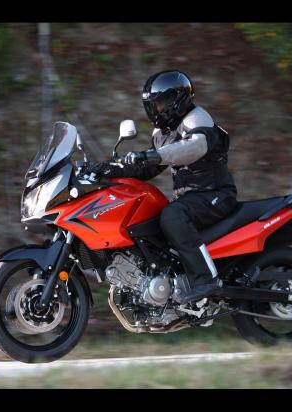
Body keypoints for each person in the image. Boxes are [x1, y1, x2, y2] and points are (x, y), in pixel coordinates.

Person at [90, 70, 238, 303]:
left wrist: (152, 155)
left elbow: (193, 148)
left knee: (173, 215)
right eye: (153, 105)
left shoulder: (197, 119)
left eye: (160, 103)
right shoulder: (163, 133)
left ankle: (206, 279)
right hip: (190, 200)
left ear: (177, 100)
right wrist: (109, 169)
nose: (156, 109)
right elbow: (146, 169)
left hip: (215, 194)